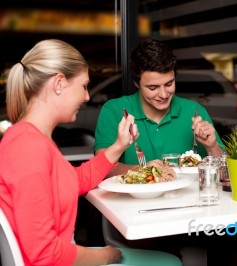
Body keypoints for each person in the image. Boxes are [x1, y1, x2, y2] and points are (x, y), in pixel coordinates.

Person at [0, 39, 182, 266]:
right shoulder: (28, 147)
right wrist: (106, 256)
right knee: (170, 263)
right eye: (84, 86)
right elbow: (44, 254)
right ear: (59, 84)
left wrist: (119, 146)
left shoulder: (34, 140)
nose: (87, 96)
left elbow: (73, 181)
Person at [94, 38, 225, 177]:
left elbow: (224, 169)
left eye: (169, 84)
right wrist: (144, 170)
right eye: (153, 87)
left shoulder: (193, 111)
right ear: (136, 83)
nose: (163, 94)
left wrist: (212, 146)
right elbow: (100, 168)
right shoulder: (114, 110)